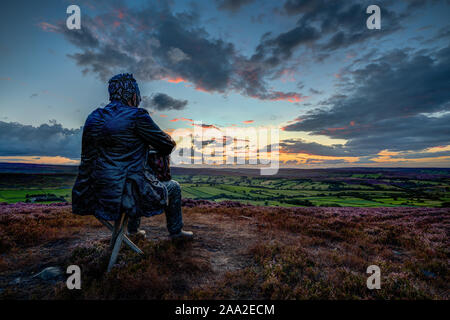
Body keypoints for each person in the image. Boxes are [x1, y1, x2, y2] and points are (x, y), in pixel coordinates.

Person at [72, 73, 193, 240]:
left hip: (90, 194)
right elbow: (167, 145)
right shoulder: (137, 116)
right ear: (134, 95)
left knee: (134, 176)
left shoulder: (92, 117)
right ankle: (176, 233)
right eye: (139, 96)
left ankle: (133, 232)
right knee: (171, 187)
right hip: (122, 195)